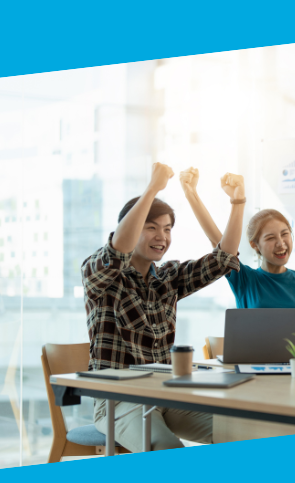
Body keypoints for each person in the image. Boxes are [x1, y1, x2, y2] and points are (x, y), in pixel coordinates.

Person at [82, 162, 245, 451]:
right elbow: (118, 252)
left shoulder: (168, 277)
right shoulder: (101, 275)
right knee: (168, 450)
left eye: (167, 229)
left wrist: (237, 202)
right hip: (117, 399)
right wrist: (153, 188)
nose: (162, 237)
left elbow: (224, 258)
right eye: (152, 227)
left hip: (167, 395)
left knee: (241, 430)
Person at [180, 167, 295, 327]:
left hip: (293, 364)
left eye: (285, 234)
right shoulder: (245, 278)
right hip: (250, 363)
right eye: (271, 238)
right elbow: (215, 238)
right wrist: (191, 194)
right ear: (255, 246)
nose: (281, 243)